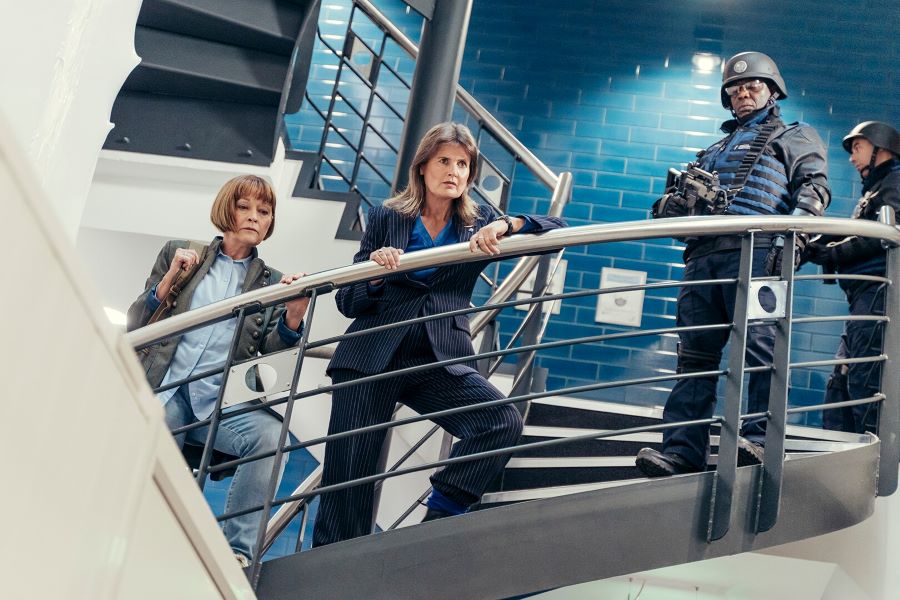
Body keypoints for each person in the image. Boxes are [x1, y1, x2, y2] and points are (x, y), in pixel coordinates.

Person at [312, 122, 566, 546]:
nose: (453, 171)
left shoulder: (479, 221)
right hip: (371, 353)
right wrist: (374, 274)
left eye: (463, 165)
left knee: (500, 421)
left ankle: (438, 521)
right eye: (444, 161)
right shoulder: (388, 216)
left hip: (438, 357)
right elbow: (347, 302)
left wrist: (507, 226)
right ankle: (331, 571)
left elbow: (558, 230)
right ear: (423, 167)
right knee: (347, 479)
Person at [635, 51, 831, 477]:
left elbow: (814, 189)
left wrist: (793, 239)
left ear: (772, 92)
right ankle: (682, 452)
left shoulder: (794, 135)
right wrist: (671, 207)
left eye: (753, 86)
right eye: (736, 89)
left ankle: (759, 441)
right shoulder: (712, 151)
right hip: (703, 258)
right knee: (694, 357)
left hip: (759, 253)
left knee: (761, 350)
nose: (744, 93)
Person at [127, 175, 310, 566]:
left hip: (220, 403)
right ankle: (144, 538)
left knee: (272, 436)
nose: (254, 216)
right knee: (155, 437)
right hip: (168, 390)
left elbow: (270, 366)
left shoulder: (273, 283)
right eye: (244, 207)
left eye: (264, 211)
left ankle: (236, 552)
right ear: (227, 209)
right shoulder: (180, 253)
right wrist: (169, 279)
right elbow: (138, 322)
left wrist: (293, 317)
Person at [807, 121, 900, 433]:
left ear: (881, 148)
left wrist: (830, 253)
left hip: (876, 298)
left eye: (857, 147)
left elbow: (880, 236)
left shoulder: (895, 182)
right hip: (864, 299)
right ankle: (840, 451)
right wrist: (823, 244)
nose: (851, 157)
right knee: (842, 379)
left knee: (864, 380)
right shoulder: (879, 187)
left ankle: (871, 455)